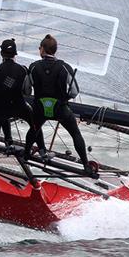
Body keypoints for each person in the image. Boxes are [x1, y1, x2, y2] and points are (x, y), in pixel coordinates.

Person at [25, 34, 95, 175]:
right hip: (60, 109)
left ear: (43, 49)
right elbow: (75, 91)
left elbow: (27, 90)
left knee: (34, 129)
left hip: (40, 109)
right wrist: (64, 98)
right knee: (75, 133)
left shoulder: (33, 67)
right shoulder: (64, 67)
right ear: (54, 50)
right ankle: (86, 165)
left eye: (40, 47)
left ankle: (26, 154)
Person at [0, 38, 45, 155]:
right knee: (35, 124)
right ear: (15, 54)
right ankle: (42, 150)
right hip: (19, 106)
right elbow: (27, 92)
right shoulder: (23, 69)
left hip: (1, 109)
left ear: (1, 53)